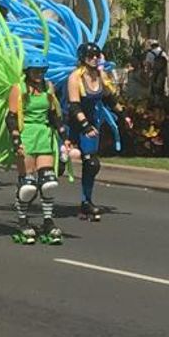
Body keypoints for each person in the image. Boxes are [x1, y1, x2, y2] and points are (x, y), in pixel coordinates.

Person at [6, 53, 70, 245]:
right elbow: (10, 117)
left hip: (45, 136)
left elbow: (54, 115)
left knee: (49, 183)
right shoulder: (19, 89)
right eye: (35, 71)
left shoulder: (48, 87)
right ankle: (22, 221)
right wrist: (16, 140)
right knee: (28, 185)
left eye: (42, 71)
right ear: (27, 71)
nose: (39, 75)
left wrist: (64, 137)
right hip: (26, 136)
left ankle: (48, 221)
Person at [67, 42, 133, 222]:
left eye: (97, 55)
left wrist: (123, 115)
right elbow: (74, 106)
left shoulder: (100, 76)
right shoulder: (75, 77)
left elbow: (110, 99)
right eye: (91, 56)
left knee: (92, 164)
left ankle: (86, 201)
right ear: (83, 58)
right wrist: (85, 125)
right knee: (60, 164)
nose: (95, 59)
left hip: (92, 123)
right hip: (73, 123)